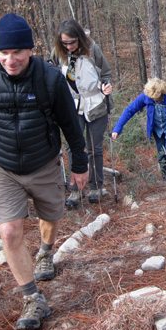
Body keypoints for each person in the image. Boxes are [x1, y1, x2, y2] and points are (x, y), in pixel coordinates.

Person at [0, 13, 88, 330]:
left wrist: (80, 164)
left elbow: (70, 125)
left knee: (51, 215)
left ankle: (46, 250)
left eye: (16, 52)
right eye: (3, 53)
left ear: (30, 50)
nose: (10, 59)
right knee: (9, 232)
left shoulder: (49, 79)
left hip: (44, 162)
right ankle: (33, 298)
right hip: (2, 166)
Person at [51, 19, 113, 207]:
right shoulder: (58, 53)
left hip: (96, 104)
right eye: (65, 43)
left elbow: (106, 73)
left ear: (79, 38)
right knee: (74, 147)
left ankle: (96, 186)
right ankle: (76, 189)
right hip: (71, 106)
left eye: (72, 42)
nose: (69, 46)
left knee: (94, 147)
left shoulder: (93, 49)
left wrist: (106, 85)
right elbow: (51, 73)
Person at [111, 78, 166, 182]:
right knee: (161, 155)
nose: (155, 100)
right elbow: (130, 110)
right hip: (157, 130)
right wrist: (117, 128)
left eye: (157, 98)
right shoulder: (145, 96)